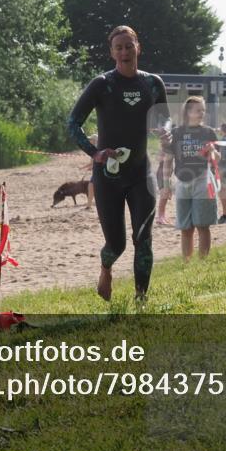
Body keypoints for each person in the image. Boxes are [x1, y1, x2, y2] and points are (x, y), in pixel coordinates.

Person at [67, 25, 170, 301]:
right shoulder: (102, 84)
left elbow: (165, 117)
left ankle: (141, 299)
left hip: (140, 173)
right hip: (108, 177)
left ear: (138, 48)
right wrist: (95, 153)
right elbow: (73, 123)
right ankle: (105, 269)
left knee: (143, 238)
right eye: (119, 48)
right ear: (112, 53)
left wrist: (166, 129)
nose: (125, 52)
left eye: (129, 46)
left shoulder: (152, 83)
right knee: (117, 245)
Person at [167, 97, 219, 260]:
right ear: (188, 112)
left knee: (202, 225)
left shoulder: (208, 132)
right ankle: (187, 263)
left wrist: (213, 151)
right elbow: (169, 159)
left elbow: (217, 159)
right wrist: (166, 184)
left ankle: (202, 262)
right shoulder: (176, 133)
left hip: (202, 180)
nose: (202, 113)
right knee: (186, 227)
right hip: (182, 182)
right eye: (198, 110)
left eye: (203, 110)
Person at [155, 148, 174, 225]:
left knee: (165, 196)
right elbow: (160, 158)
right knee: (164, 195)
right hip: (162, 174)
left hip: (167, 174)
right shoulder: (167, 149)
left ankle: (162, 215)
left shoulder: (167, 148)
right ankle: (160, 217)